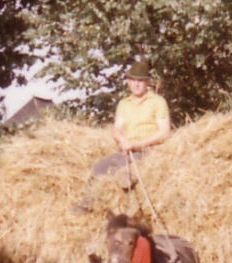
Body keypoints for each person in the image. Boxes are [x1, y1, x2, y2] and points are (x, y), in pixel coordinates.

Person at [73, 59, 170, 211]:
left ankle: (126, 207)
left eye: (140, 81)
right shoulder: (124, 103)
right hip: (126, 149)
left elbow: (164, 133)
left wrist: (136, 145)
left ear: (148, 82)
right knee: (99, 167)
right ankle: (86, 205)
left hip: (148, 150)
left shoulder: (158, 102)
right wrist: (122, 139)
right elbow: (116, 129)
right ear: (128, 82)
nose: (136, 84)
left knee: (121, 169)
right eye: (133, 80)